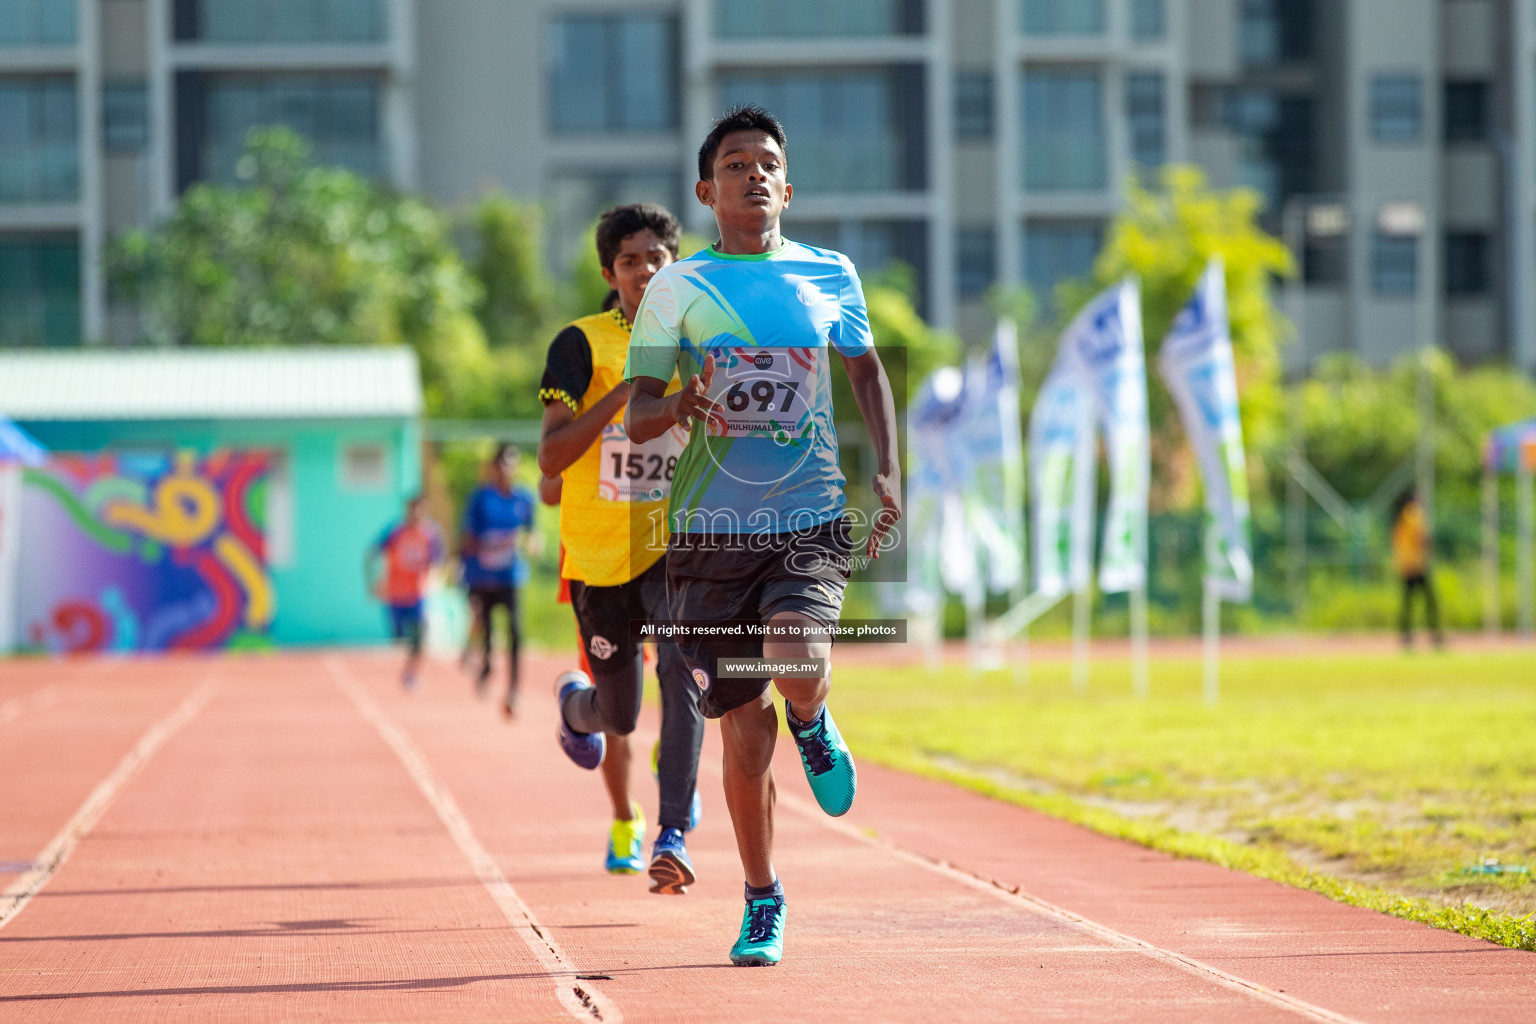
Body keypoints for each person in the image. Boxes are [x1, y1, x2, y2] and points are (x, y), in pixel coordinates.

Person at [624, 105, 902, 966]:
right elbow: (638, 416)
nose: (753, 174)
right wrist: (681, 404)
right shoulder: (678, 289)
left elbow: (866, 369)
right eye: (735, 164)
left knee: (795, 654)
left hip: (809, 516)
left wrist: (889, 471)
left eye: (767, 162)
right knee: (743, 735)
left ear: (788, 185)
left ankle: (815, 721)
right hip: (709, 536)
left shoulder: (830, 274)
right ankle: (762, 896)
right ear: (707, 190)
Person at [538, 203, 706, 892]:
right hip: (600, 554)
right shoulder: (579, 345)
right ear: (611, 272)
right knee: (620, 716)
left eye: (657, 258)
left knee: (685, 675)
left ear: (675, 265)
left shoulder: (699, 341)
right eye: (631, 261)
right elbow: (550, 459)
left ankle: (672, 834)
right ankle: (575, 707)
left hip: (676, 549)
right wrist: (626, 398)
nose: (645, 270)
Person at [460, 444, 537, 717]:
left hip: (511, 576)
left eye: (512, 463)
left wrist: (533, 543)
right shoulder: (480, 498)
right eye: (503, 463)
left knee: (516, 630)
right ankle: (486, 667)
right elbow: (468, 536)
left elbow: (533, 532)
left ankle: (514, 690)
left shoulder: (525, 498)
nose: (508, 469)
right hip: (483, 576)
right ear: (493, 467)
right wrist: (488, 547)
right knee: (487, 629)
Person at [367, 494, 444, 692]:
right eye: (412, 509)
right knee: (398, 640)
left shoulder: (431, 534)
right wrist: (372, 583)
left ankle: (410, 674)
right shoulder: (394, 532)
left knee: (420, 636)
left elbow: (437, 562)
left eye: (420, 509)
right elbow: (371, 554)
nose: (416, 514)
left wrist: (433, 579)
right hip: (395, 594)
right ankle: (394, 673)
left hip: (418, 594)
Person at [1392, 489, 1443, 648]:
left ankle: (1406, 636)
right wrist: (1428, 542)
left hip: (1406, 564)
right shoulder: (1413, 513)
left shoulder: (1402, 516)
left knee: (1408, 604)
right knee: (1430, 602)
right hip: (1417, 566)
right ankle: (1435, 636)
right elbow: (1421, 537)